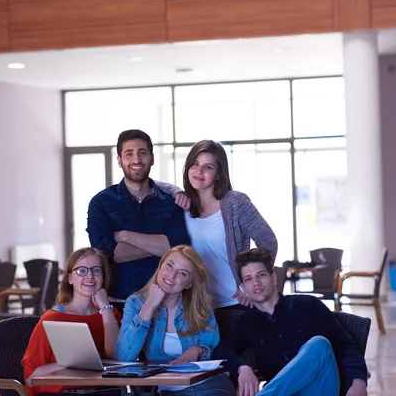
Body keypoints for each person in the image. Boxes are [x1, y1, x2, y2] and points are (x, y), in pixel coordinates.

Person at [213, 248, 368, 396]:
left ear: (273, 278)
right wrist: (242, 367)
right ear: (244, 287)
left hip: (319, 388)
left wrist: (358, 380)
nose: (256, 283)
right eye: (248, 279)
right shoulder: (247, 322)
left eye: (261, 275)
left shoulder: (308, 304)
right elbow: (221, 351)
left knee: (319, 344)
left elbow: (344, 344)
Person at [178, 140, 277, 339]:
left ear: (219, 174)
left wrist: (247, 284)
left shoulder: (235, 203)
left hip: (236, 304)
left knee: (240, 364)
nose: (199, 171)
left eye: (208, 167)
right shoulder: (181, 206)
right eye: (194, 164)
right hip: (196, 309)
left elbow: (268, 241)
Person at [116, 245, 236, 396]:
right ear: (160, 266)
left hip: (208, 385)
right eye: (169, 265)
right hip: (166, 390)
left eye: (183, 273)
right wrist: (150, 306)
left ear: (189, 283)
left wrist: (198, 350)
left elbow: (216, 353)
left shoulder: (199, 307)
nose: (171, 275)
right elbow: (124, 357)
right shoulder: (135, 303)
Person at [87, 129, 191, 301]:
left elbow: (178, 249)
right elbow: (107, 254)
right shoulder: (101, 203)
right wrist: (160, 244)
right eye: (129, 154)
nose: (136, 160)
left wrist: (124, 236)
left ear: (152, 158)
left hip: (166, 302)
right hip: (118, 302)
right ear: (119, 161)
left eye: (142, 153)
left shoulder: (171, 203)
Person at [22, 247, 121, 396]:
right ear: (69, 278)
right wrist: (70, 363)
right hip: (64, 392)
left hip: (106, 390)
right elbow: (30, 377)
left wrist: (105, 308)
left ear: (103, 277)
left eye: (96, 270)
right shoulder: (52, 319)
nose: (89, 276)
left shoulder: (111, 315)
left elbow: (115, 355)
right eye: (82, 271)